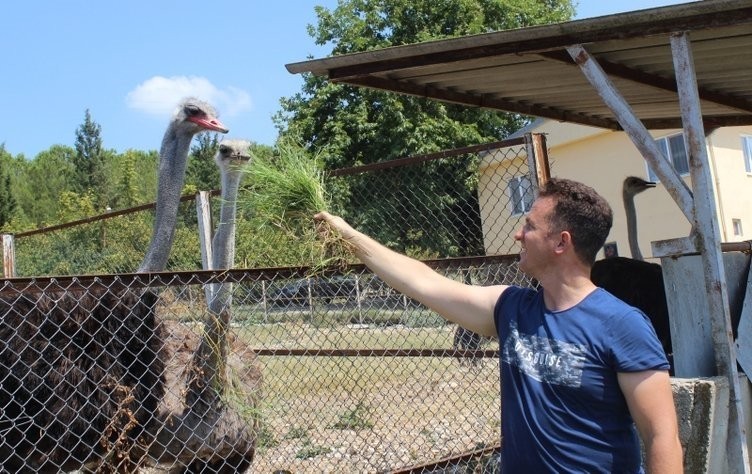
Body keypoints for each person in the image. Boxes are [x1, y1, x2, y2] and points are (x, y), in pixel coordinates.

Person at [315, 178, 682, 473]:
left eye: (529, 226)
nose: (518, 235)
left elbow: (661, 436)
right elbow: (424, 282)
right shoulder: (511, 308)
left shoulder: (623, 324)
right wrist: (349, 235)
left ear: (560, 242)